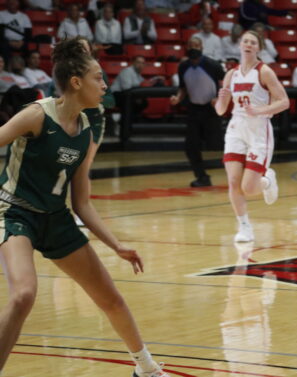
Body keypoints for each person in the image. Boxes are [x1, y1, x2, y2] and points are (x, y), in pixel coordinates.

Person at [0, 37, 170, 377]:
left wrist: (117, 245)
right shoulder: (35, 115)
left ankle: (147, 370)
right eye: (98, 78)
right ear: (76, 82)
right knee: (24, 295)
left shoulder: (87, 129)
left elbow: (81, 202)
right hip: (15, 212)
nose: (105, 84)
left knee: (111, 299)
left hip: (56, 218)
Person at [214, 31, 288, 242]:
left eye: (253, 42)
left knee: (249, 187)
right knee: (233, 182)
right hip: (236, 129)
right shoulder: (231, 74)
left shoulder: (264, 72)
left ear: (258, 48)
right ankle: (244, 227)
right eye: (245, 41)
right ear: (240, 45)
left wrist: (260, 110)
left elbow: (284, 102)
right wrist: (222, 99)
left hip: (258, 129)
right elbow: (220, 111)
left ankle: (267, 181)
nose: (248, 44)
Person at [171, 36, 225, 187]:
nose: (193, 48)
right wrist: (177, 98)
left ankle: (243, 172)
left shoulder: (213, 65)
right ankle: (202, 177)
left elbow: (225, 85)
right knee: (191, 147)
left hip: (211, 110)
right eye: (190, 45)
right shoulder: (183, 67)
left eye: (196, 45)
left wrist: (218, 99)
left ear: (201, 47)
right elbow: (182, 88)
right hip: (194, 110)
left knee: (218, 144)